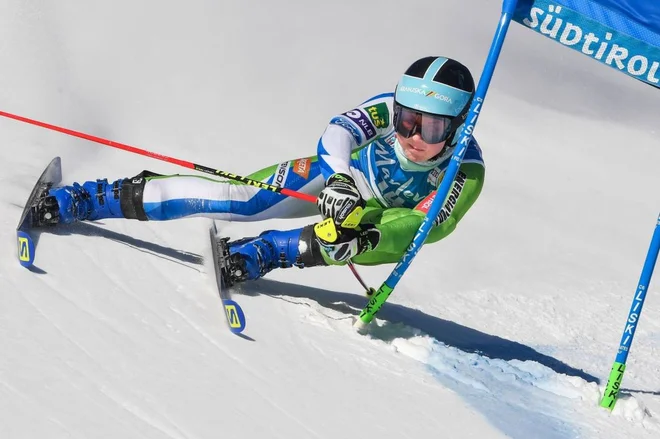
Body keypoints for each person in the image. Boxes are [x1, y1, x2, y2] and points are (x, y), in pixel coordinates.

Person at [35, 56, 485, 286]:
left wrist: (365, 239)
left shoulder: (465, 170)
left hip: (381, 220)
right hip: (342, 181)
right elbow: (339, 131)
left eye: (431, 126)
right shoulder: (387, 111)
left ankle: (268, 252)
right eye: (408, 118)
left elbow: (425, 227)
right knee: (240, 200)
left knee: (349, 239)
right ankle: (94, 198)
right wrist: (340, 178)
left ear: (461, 124)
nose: (413, 135)